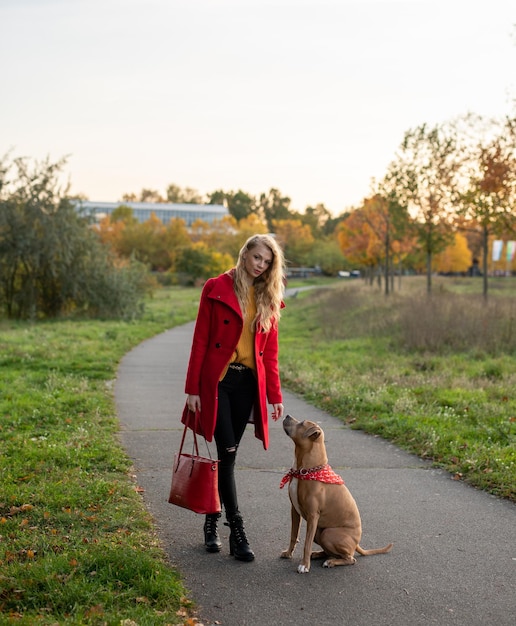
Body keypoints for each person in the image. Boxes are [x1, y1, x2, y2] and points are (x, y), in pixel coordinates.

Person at [183, 234, 285, 562]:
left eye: (267, 262)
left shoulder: (267, 297)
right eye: (257, 258)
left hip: (247, 385)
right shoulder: (216, 288)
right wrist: (192, 389)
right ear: (244, 255)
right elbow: (200, 340)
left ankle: (211, 521)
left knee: (229, 457)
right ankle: (237, 530)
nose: (261, 265)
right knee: (226, 450)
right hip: (219, 383)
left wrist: (274, 395)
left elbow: (269, 353)